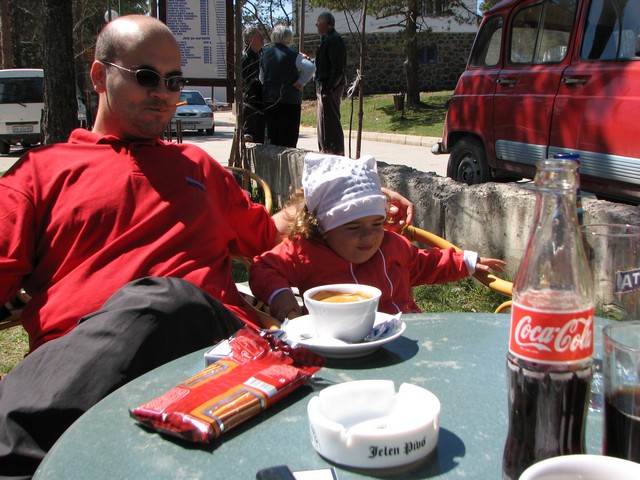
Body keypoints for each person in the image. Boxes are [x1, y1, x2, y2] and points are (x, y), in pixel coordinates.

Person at [0, 17, 413, 477]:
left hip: (220, 351)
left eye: (174, 81)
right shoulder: (40, 173)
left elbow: (267, 232)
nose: (163, 92)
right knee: (160, 303)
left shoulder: (197, 165)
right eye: (146, 77)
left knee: (169, 302)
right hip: (86, 375)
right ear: (100, 76)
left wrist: (350, 199)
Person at [249, 153, 506, 321]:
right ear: (322, 226)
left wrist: (466, 262)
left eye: (377, 223)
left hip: (404, 332)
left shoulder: (392, 245)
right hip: (336, 341)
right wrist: (279, 295)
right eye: (353, 227)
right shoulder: (305, 251)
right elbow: (263, 267)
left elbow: (424, 263)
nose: (369, 235)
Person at [260, 24, 315, 148]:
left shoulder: (265, 54)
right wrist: (301, 81)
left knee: (272, 137)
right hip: (290, 101)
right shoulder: (293, 55)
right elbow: (311, 67)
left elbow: (262, 77)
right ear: (288, 38)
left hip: (269, 100)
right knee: (288, 139)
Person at [314, 12, 347, 156]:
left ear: (327, 24)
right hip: (325, 87)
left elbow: (337, 68)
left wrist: (328, 89)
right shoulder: (327, 39)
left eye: (319, 21)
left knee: (330, 123)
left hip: (330, 88)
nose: (316, 24)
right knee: (323, 122)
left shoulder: (334, 39)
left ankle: (334, 152)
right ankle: (325, 149)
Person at [242, 26, 266, 143]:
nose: (262, 37)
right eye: (259, 35)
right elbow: (244, 83)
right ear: (250, 39)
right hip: (252, 104)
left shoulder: (261, 54)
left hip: (260, 103)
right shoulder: (246, 57)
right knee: (252, 138)